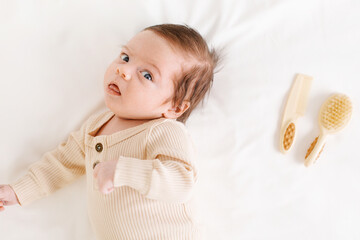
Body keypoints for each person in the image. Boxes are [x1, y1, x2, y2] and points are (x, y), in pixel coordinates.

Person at [0, 23, 219, 239]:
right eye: (125, 57)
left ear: (175, 107)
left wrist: (123, 171)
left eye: (147, 75)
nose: (122, 70)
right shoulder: (95, 127)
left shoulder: (165, 132)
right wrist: (18, 191)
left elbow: (181, 182)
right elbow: (61, 163)